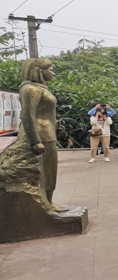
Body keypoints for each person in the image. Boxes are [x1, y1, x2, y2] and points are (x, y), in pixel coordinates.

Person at [18, 58, 67, 212]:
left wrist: (56, 126)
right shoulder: (30, 89)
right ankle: (45, 202)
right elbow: (28, 115)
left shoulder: (41, 88)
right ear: (39, 71)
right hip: (41, 136)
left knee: (50, 169)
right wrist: (35, 141)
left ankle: (48, 200)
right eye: (50, 69)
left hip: (48, 133)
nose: (52, 72)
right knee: (46, 170)